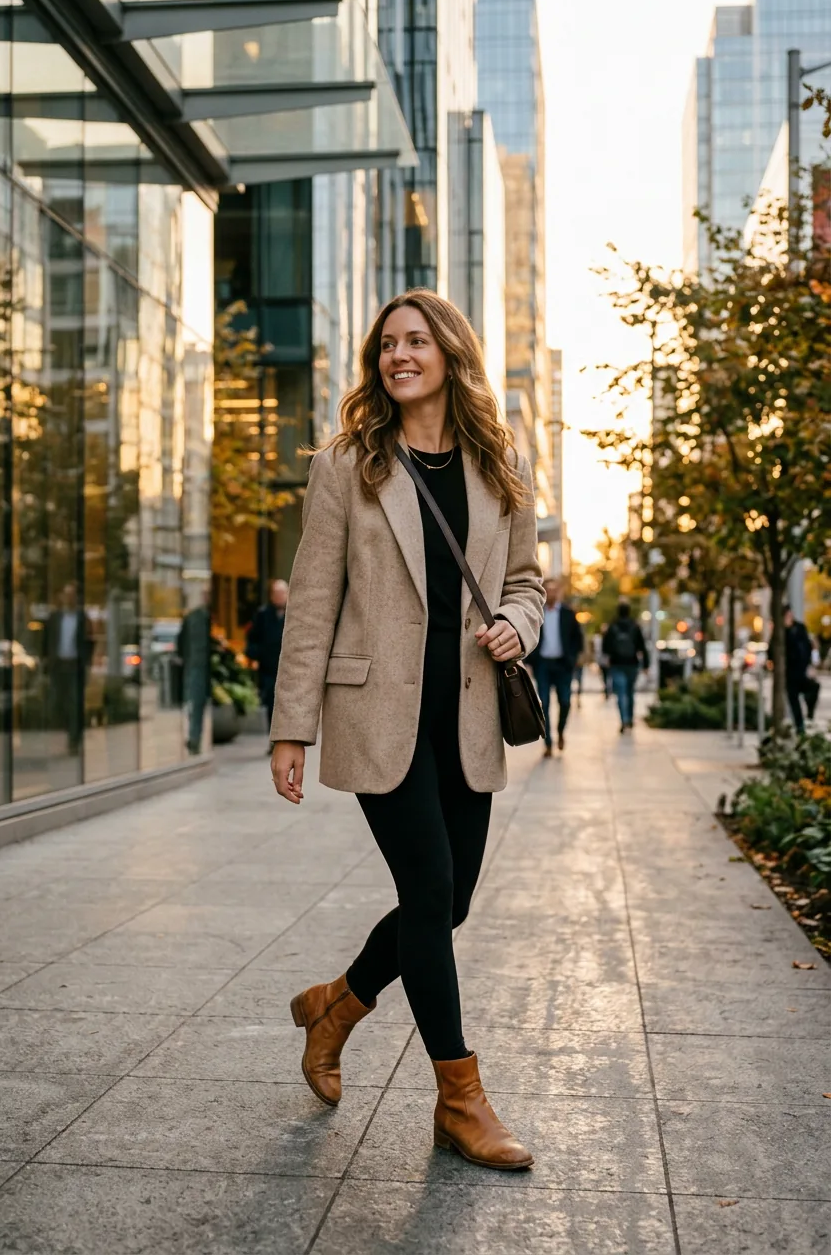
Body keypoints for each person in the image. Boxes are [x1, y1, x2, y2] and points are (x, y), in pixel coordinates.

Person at [269, 289, 544, 1171]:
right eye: (387, 344)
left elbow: (530, 583)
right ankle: (461, 1099)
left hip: (463, 715)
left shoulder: (500, 464)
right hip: (377, 713)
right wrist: (291, 729)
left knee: (452, 902)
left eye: (417, 341)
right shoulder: (349, 463)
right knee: (429, 890)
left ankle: (336, 1005)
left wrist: (516, 624)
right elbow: (313, 600)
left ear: (450, 354)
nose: (398, 356)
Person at [527, 578, 583, 757]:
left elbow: (577, 639)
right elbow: (528, 634)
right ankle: (548, 743)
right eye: (548, 590)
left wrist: (573, 659)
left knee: (565, 701)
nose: (551, 593)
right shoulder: (536, 613)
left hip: (563, 665)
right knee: (543, 703)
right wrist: (528, 661)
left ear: (559, 592)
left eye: (554, 590)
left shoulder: (568, 613)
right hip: (542, 664)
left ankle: (560, 732)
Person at [43, 582, 94, 755]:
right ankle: (67, 733)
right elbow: (46, 640)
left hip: (75, 665)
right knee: (59, 702)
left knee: (75, 703)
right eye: (66, 594)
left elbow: (89, 642)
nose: (69, 598)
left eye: (72, 595)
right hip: (58, 665)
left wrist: (87, 662)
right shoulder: (55, 617)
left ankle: (74, 739)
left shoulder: (82, 618)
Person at [245, 579, 288, 754]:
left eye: (282, 593)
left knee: (287, 705)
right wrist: (257, 654)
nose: (279, 597)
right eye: (276, 593)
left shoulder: (295, 613)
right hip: (269, 669)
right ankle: (274, 741)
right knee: (272, 705)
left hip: (288, 669)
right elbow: (252, 639)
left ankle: (287, 741)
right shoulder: (263, 614)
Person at [603, 601, 649, 733]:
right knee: (630, 692)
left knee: (621, 693)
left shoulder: (612, 626)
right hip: (632, 664)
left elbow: (606, 646)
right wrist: (646, 664)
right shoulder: (635, 626)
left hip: (616, 664)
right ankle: (629, 718)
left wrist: (607, 659)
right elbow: (642, 646)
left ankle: (623, 719)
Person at [770, 607, 817, 733]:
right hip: (788, 672)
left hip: (801, 669)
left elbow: (807, 647)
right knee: (793, 700)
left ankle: (809, 715)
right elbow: (772, 650)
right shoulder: (780, 631)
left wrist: (810, 665)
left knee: (814, 688)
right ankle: (800, 726)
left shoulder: (800, 628)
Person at [177, 593, 211, 754]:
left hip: (198, 667)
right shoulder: (195, 617)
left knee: (196, 704)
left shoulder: (198, 617)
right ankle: (194, 738)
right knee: (196, 704)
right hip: (197, 667)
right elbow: (181, 643)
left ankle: (195, 737)